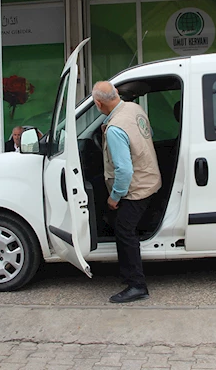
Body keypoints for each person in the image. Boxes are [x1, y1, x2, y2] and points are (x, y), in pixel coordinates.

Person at [92, 81, 162, 303]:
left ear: (98, 103)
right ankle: (128, 274)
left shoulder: (115, 129)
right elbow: (147, 134)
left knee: (124, 230)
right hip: (150, 178)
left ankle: (137, 285)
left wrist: (114, 197)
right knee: (122, 223)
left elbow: (124, 171)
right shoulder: (134, 108)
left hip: (136, 187)